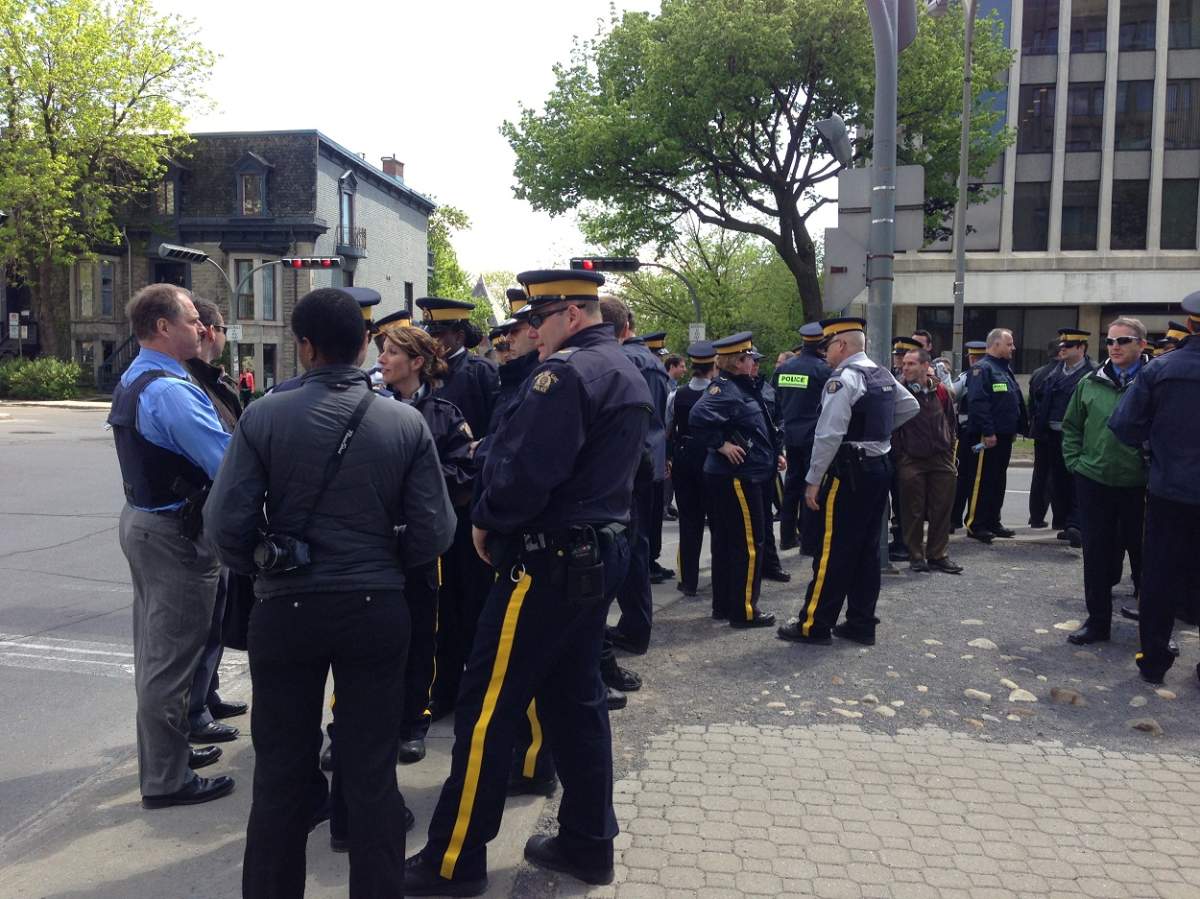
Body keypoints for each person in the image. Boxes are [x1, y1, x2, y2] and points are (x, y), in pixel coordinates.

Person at [404, 267, 651, 895]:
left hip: (548, 560)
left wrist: (486, 520)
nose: (529, 335)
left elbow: (525, 471)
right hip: (596, 555)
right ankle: (587, 843)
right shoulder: (623, 365)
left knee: (488, 709)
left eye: (537, 322)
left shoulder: (563, 373)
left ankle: (453, 860)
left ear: (570, 315)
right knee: (576, 703)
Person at [206, 287, 456, 898]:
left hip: (286, 609)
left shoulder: (264, 415)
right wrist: (382, 560)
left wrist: (265, 562)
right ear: (366, 343)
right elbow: (436, 531)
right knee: (371, 772)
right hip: (376, 608)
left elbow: (223, 528)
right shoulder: (404, 421)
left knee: (281, 775)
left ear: (305, 347)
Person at [108, 284, 235, 809]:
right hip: (174, 537)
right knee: (171, 661)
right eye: (190, 320)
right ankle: (167, 780)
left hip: (146, 523)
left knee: (156, 655)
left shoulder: (141, 375)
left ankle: (171, 758)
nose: (201, 329)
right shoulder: (169, 391)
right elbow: (227, 463)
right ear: (163, 327)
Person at [777, 318, 919, 647]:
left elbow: (828, 435)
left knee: (834, 551)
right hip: (878, 467)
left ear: (842, 345)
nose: (825, 353)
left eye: (827, 347)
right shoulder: (881, 373)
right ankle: (860, 622)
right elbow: (909, 406)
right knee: (867, 550)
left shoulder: (844, 379)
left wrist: (813, 481)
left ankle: (814, 624)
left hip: (848, 472)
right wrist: (877, 434)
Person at [375, 324, 475, 765]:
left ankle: (413, 723)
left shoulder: (446, 415)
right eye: (381, 351)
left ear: (417, 362)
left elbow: (466, 470)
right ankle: (350, 726)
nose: (382, 360)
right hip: (370, 544)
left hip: (419, 545)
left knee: (421, 635)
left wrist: (417, 493)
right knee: (363, 638)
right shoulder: (366, 409)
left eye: (392, 352)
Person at [1108, 292, 1200, 685]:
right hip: (1174, 487)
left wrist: (1153, 446)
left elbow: (1123, 424)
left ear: (1190, 325)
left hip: (1170, 490)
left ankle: (1154, 660)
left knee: (1159, 576)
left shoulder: (1162, 369)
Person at [417, 296, 500, 718]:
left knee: (473, 598)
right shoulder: (431, 376)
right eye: (429, 333)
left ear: (458, 335)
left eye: (441, 334)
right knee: (443, 604)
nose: (434, 341)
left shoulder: (482, 372)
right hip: (436, 505)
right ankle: (443, 687)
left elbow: (496, 435)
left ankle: (473, 683)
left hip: (469, 503)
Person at [182, 298, 248, 745]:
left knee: (218, 615)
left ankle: (208, 693)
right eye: (222, 326)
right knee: (199, 622)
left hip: (217, 514)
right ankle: (194, 710)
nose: (225, 335)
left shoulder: (212, 379)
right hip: (198, 516)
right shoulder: (186, 383)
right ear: (208, 330)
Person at [1060, 318, 1148, 646]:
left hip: (1139, 483)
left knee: (1145, 555)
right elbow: (1071, 427)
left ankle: (1150, 627)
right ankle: (1098, 622)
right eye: (1110, 341)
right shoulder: (1090, 382)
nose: (1115, 347)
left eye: (1123, 341)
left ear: (1141, 344)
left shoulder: (1153, 380)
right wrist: (1076, 464)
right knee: (1096, 554)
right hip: (1095, 480)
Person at [689, 331, 782, 629]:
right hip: (737, 478)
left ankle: (725, 606)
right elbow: (697, 416)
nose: (754, 364)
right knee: (748, 545)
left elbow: (755, 425)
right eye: (749, 359)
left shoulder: (742, 387)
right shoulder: (727, 389)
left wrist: (772, 454)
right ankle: (744, 611)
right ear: (737, 362)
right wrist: (721, 445)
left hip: (742, 474)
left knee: (729, 543)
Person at [602, 298, 670, 655]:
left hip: (627, 469)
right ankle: (635, 626)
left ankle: (633, 628)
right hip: (646, 467)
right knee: (637, 550)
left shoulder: (625, 361)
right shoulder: (650, 362)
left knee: (627, 553)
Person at [893, 349, 962, 574]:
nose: (905, 368)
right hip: (911, 460)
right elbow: (892, 429)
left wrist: (950, 453)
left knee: (942, 509)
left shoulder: (941, 391)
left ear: (925, 366)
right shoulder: (899, 391)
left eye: (911, 364)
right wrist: (900, 457)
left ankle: (938, 555)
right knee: (912, 510)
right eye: (904, 364)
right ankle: (916, 556)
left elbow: (951, 424)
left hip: (940, 459)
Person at [962, 328, 1028, 543]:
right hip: (987, 437)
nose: (1013, 348)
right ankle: (975, 523)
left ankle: (992, 521)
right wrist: (988, 432)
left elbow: (1011, 401)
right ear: (996, 344)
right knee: (982, 480)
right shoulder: (982, 369)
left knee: (997, 480)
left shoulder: (1003, 369)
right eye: (1009, 344)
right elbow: (979, 403)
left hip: (1004, 435)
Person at [1033, 329, 1097, 547]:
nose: (1062, 350)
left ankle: (1077, 525)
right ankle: (1064, 522)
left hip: (1078, 436)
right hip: (1052, 434)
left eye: (1067, 346)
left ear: (1081, 348)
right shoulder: (1054, 372)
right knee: (1058, 482)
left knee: (1078, 481)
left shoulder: (1094, 372)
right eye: (1061, 346)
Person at [665, 341, 716, 597]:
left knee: (689, 521)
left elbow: (668, 428)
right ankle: (721, 576)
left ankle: (688, 581)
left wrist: (669, 458)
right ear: (713, 366)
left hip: (684, 459)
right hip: (712, 460)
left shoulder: (678, 394)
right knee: (718, 521)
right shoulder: (719, 393)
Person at [775, 323, 832, 554]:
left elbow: (776, 401)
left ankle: (787, 537)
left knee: (791, 487)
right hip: (814, 437)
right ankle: (809, 541)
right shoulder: (823, 370)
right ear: (821, 346)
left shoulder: (784, 368)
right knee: (812, 487)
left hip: (791, 436)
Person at [748, 347, 790, 583]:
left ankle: (770, 565)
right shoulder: (735, 389)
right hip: (749, 464)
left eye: (757, 362)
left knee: (765, 519)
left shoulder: (767, 389)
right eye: (752, 361)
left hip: (768, 461)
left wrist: (778, 450)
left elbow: (778, 421)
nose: (755, 366)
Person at [950, 340, 989, 530]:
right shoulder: (969, 377)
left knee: (965, 476)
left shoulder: (967, 377)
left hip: (973, 433)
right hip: (972, 435)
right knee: (967, 476)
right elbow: (952, 396)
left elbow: (951, 396)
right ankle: (956, 517)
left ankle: (956, 518)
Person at [1025, 340, 1064, 528]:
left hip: (1040, 432)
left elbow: (1031, 404)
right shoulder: (1063, 373)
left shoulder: (1038, 373)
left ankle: (1036, 516)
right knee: (1060, 477)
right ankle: (1060, 519)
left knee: (1040, 475)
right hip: (1058, 433)